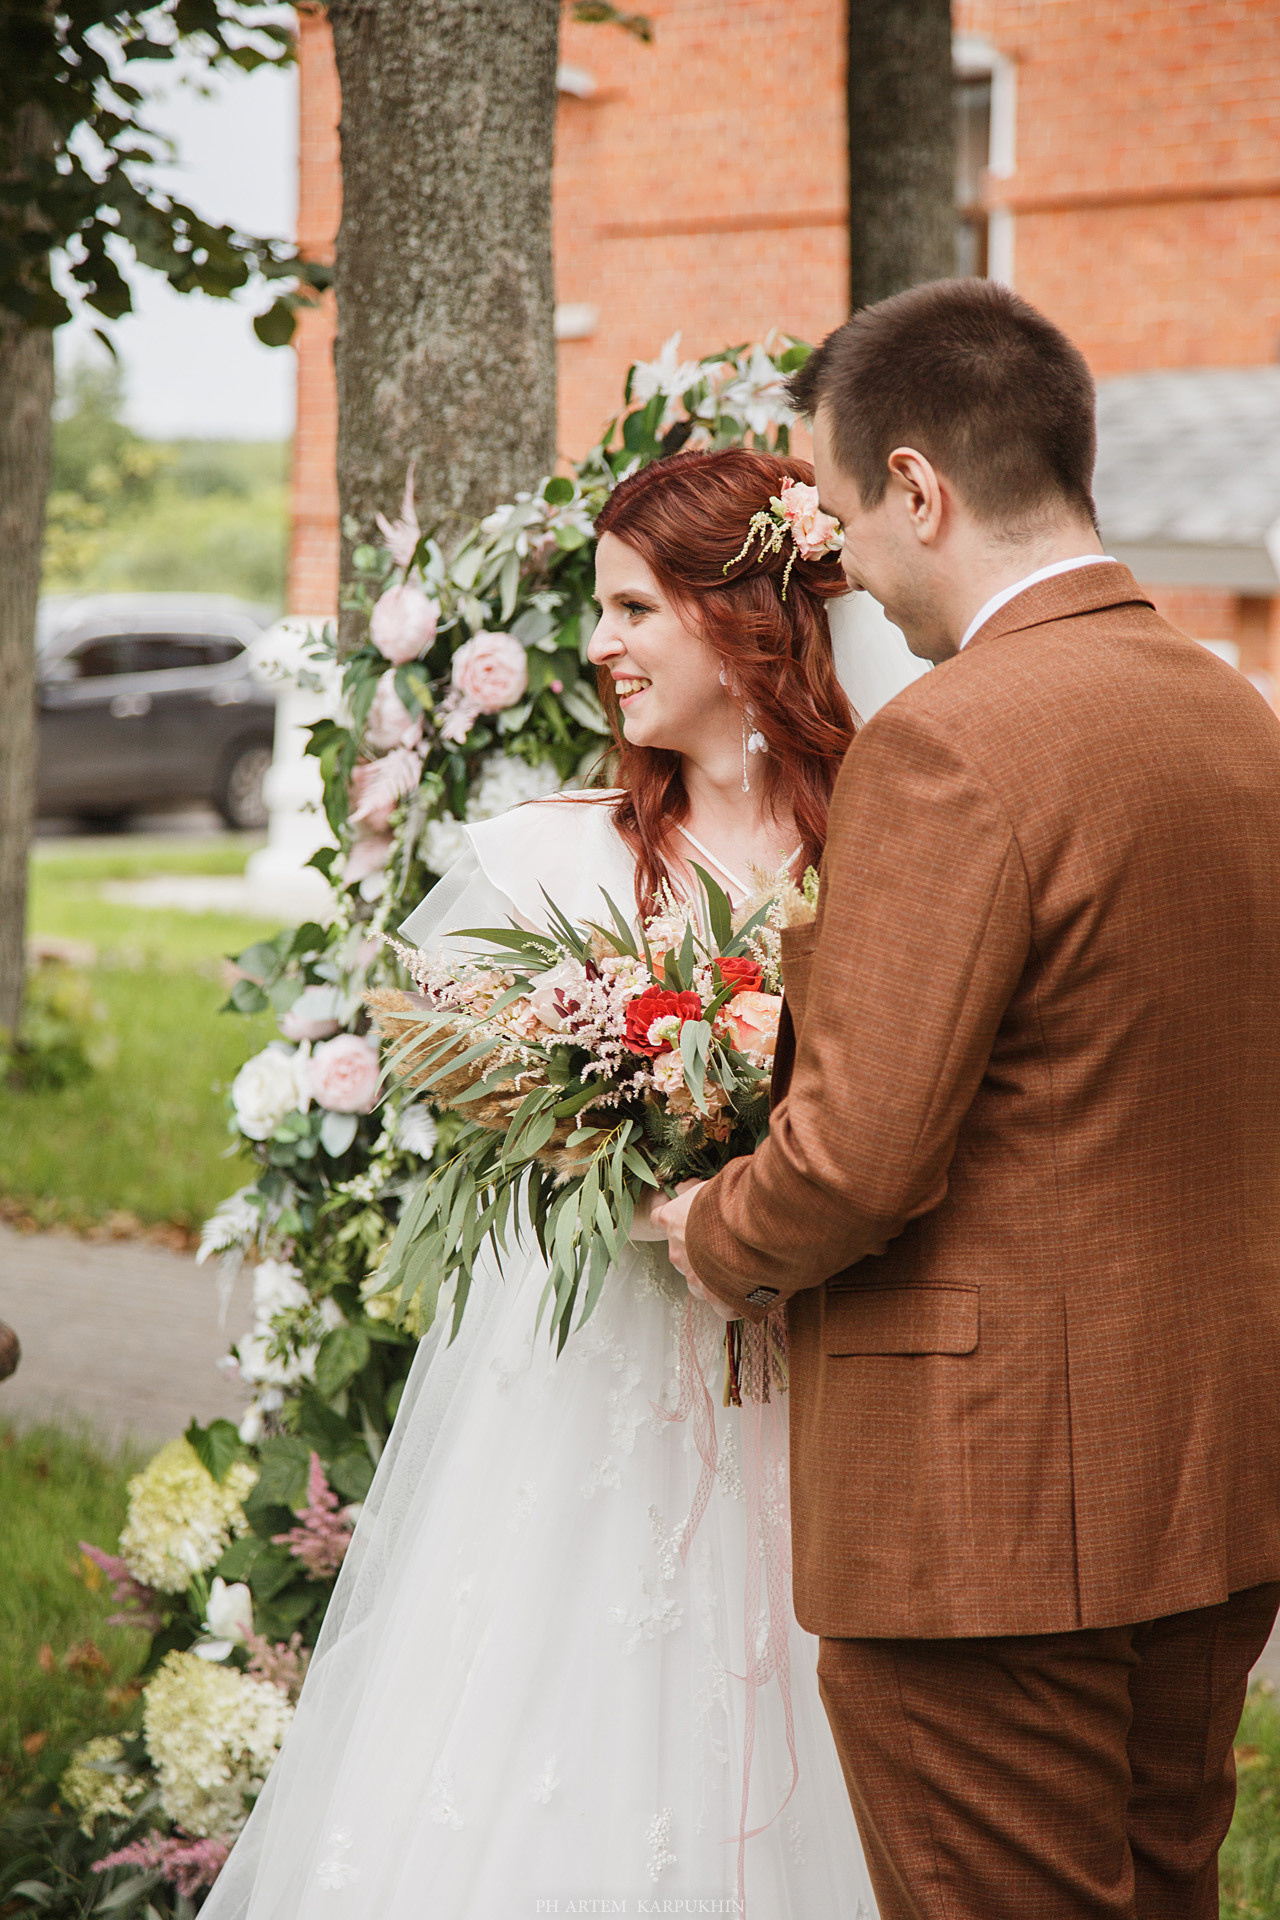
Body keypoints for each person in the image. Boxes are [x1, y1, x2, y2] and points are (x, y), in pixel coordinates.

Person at [657, 278, 1280, 1920]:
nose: (847, 561)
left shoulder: (948, 746)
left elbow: (860, 1160)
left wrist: (708, 1232)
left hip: (990, 1525)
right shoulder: (1237, 715)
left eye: (848, 513)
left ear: (921, 486)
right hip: (1214, 1480)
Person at [202, 447, 881, 1919]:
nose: (601, 645)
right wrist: (644, 1172)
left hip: (829, 1384)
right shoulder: (554, 864)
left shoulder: (884, 848)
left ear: (738, 615)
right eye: (597, 609)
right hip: (597, 1399)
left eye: (636, 608)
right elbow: (475, 1094)